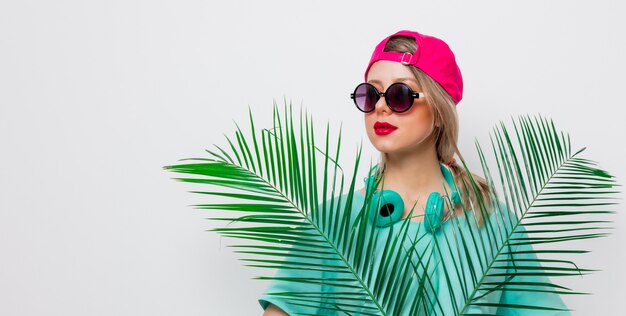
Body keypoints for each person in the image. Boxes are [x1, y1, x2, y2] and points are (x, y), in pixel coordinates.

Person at [258, 30, 570, 315]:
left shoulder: (493, 223)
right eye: (370, 94)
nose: (381, 107)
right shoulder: (332, 223)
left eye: (400, 96)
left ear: (439, 113)